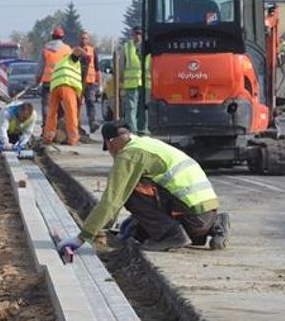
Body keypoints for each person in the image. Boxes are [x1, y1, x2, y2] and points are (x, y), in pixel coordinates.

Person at [57, 122, 229, 257]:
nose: (111, 154)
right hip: (204, 213)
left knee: (130, 191)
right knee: (142, 230)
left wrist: (83, 237)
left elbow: (112, 199)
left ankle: (171, 235)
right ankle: (216, 224)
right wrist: (114, 227)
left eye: (108, 149)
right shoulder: (147, 143)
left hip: (190, 214)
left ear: (112, 143)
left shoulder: (129, 155)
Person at [43, 45, 82, 145]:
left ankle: (48, 136)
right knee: (71, 111)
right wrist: (85, 55)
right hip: (67, 85)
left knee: (52, 113)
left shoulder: (61, 62)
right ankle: (73, 138)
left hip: (55, 86)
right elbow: (77, 50)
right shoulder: (71, 58)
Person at [35, 28, 75, 126]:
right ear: (62, 37)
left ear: (52, 36)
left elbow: (40, 68)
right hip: (63, 82)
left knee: (47, 106)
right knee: (63, 106)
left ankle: (46, 128)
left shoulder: (45, 49)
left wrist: (37, 80)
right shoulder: (67, 49)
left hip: (48, 82)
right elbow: (72, 67)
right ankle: (60, 128)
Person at [121, 27, 146, 134]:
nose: (138, 36)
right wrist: (120, 79)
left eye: (140, 33)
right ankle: (132, 130)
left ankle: (142, 130)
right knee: (131, 107)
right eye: (136, 33)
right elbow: (121, 63)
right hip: (131, 83)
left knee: (142, 108)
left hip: (144, 83)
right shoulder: (127, 47)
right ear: (132, 34)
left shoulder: (146, 46)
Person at [78, 31, 102, 134]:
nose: (84, 40)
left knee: (91, 102)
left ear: (88, 40)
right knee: (76, 104)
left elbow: (97, 69)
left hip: (90, 83)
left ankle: (92, 123)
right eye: (82, 38)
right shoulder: (76, 51)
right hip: (78, 83)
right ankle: (75, 125)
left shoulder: (92, 51)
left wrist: (99, 84)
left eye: (86, 38)